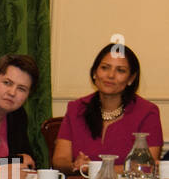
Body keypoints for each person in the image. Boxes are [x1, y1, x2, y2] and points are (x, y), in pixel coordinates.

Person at [53, 43, 162, 172]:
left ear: (131, 79)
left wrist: (94, 169)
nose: (110, 75)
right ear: (94, 72)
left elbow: (146, 166)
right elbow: (60, 160)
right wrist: (75, 165)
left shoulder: (147, 112)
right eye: (105, 68)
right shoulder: (76, 108)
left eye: (120, 70)